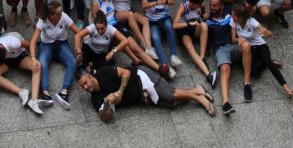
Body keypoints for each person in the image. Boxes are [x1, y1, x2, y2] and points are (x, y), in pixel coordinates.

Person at [78, 62, 216, 120]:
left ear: (90, 77)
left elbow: (125, 73)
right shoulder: (95, 98)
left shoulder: (103, 73)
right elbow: (106, 117)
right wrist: (107, 103)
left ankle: (201, 99)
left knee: (169, 94)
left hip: (141, 77)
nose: (85, 87)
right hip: (141, 99)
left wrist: (120, 92)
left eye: (85, 83)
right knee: (172, 104)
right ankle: (197, 90)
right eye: (82, 87)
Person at [230, 3, 293, 100]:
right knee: (255, 72)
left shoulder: (251, 21)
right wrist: (238, 40)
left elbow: (266, 32)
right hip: (247, 48)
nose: (231, 16)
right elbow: (233, 39)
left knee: (268, 62)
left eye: (233, 15)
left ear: (240, 17)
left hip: (259, 45)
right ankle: (266, 62)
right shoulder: (233, 21)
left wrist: (266, 32)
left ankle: (286, 88)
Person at [29, 0, 79, 110]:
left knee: (72, 61)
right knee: (42, 64)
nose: (61, 16)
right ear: (50, 15)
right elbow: (33, 41)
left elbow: (79, 32)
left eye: (61, 13)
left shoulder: (64, 16)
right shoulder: (42, 21)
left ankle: (64, 92)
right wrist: (33, 58)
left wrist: (79, 49)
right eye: (58, 14)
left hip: (61, 43)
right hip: (46, 45)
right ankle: (45, 94)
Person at [142, 0, 181, 68]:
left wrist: (166, 1)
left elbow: (172, 2)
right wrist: (156, 2)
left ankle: (173, 56)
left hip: (164, 19)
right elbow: (144, 5)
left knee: (169, 25)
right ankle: (165, 64)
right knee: (155, 37)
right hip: (152, 22)